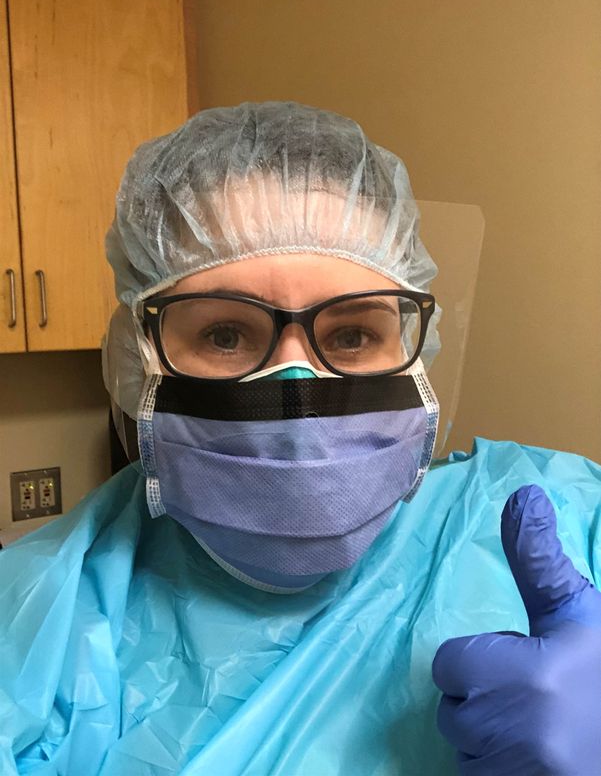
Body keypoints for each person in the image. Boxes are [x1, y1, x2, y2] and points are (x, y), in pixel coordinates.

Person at [1, 102, 600, 775]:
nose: (297, 395)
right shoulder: (33, 622)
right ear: (137, 360)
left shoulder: (569, 524)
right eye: (224, 334)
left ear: (414, 347)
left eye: (351, 334)